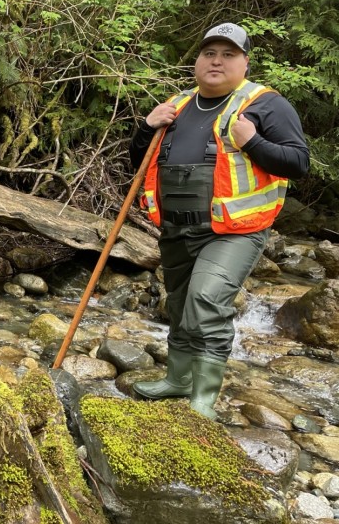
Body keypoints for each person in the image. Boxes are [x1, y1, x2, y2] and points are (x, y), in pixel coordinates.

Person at [129, 23, 309, 419]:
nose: (216, 60)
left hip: (235, 231)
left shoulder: (266, 105)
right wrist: (146, 128)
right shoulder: (176, 104)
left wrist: (253, 142)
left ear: (244, 62)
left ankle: (204, 398)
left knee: (206, 299)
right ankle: (177, 380)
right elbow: (138, 162)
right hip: (176, 229)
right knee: (177, 303)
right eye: (209, 52)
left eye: (228, 54)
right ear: (197, 61)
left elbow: (298, 162)